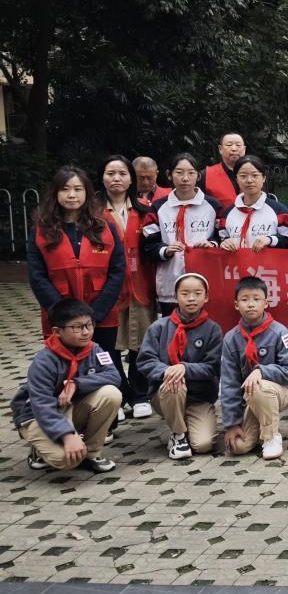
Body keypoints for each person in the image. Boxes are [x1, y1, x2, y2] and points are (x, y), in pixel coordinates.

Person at [11, 298, 123, 473]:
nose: (86, 332)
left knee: (111, 394)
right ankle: (38, 450)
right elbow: (42, 406)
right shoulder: (44, 361)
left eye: (89, 325)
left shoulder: (94, 349)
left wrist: (76, 384)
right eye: (77, 327)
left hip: (71, 407)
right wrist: (67, 435)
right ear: (57, 331)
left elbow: (114, 376)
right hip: (37, 415)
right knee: (66, 460)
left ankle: (91, 454)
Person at [28, 166, 126, 353]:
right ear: (55, 193)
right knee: (62, 364)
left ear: (87, 193)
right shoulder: (42, 229)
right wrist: (63, 313)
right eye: (65, 189)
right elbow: (37, 276)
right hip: (60, 317)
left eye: (78, 189)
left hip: (101, 316)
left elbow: (118, 270)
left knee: (102, 363)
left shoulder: (105, 226)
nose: (71, 195)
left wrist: (95, 314)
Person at [136, 273, 223, 459]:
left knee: (203, 445)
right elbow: (145, 361)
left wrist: (185, 368)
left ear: (206, 297)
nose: (191, 298)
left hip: (199, 397)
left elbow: (212, 367)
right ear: (176, 297)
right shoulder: (159, 327)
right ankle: (178, 434)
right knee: (174, 381)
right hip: (166, 393)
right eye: (185, 293)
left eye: (197, 293)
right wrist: (167, 371)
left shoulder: (213, 329)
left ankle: (185, 423)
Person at [100, 156, 158, 419]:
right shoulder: (92, 212)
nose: (116, 178)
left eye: (122, 173)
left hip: (140, 284)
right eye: (110, 173)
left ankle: (140, 393)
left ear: (130, 179)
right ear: (102, 177)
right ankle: (119, 393)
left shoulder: (145, 210)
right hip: (107, 287)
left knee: (141, 341)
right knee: (109, 343)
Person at [221, 276, 288, 460]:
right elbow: (228, 383)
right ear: (236, 305)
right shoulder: (231, 339)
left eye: (256, 299)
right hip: (250, 396)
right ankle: (261, 425)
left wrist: (262, 371)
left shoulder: (280, 332)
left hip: (281, 390)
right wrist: (232, 424)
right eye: (245, 299)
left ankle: (271, 437)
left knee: (259, 386)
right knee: (238, 447)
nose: (251, 304)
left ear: (266, 303)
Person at [142, 153, 223, 316]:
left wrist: (212, 244)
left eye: (191, 173)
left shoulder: (213, 206)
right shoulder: (158, 208)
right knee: (172, 327)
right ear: (169, 175)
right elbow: (148, 245)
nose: (185, 178)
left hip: (205, 279)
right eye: (179, 172)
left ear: (198, 176)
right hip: (170, 281)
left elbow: (223, 237)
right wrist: (166, 250)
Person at [218, 156, 288, 252]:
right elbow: (221, 238)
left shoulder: (279, 211)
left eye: (255, 175)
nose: (249, 180)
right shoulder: (227, 213)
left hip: (268, 262)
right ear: (236, 179)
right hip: (236, 262)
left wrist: (270, 240)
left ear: (263, 178)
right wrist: (224, 242)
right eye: (243, 176)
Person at [200, 132, 247, 209]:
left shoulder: (256, 174)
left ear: (244, 149)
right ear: (220, 149)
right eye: (229, 145)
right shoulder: (205, 175)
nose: (234, 149)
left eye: (238, 145)